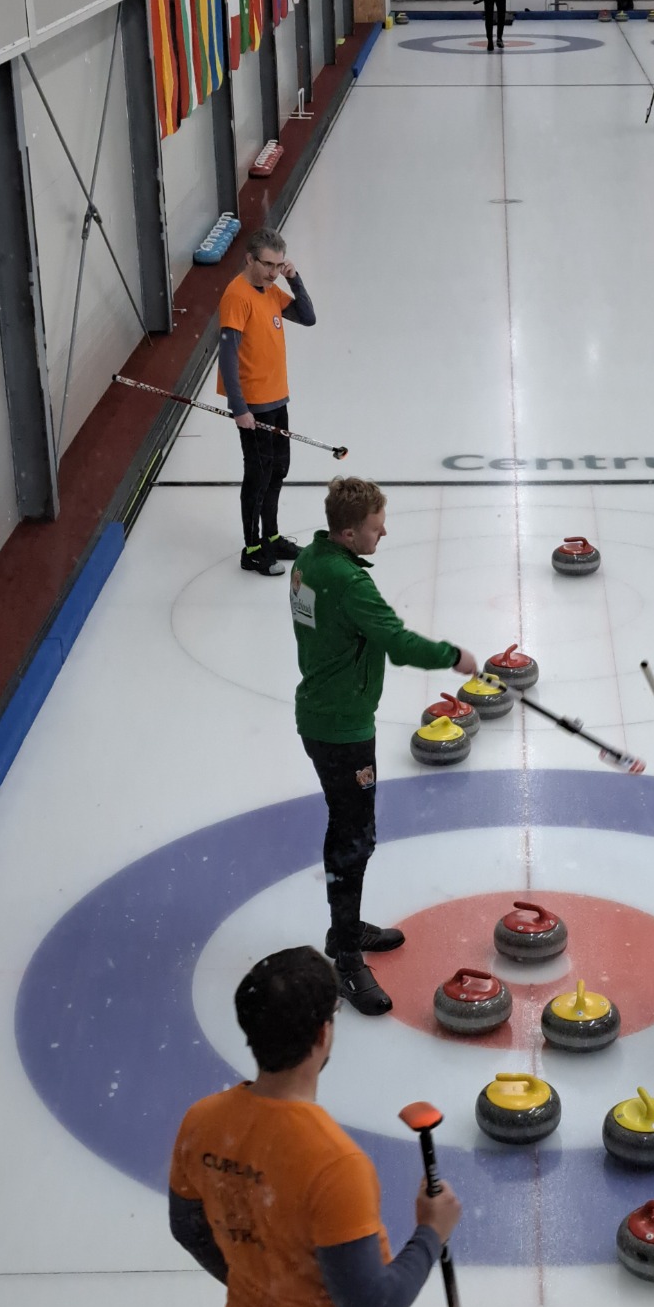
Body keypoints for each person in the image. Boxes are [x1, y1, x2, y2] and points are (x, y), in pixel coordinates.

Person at [169, 946, 471, 1307]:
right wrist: (431, 1232)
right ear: (323, 1035)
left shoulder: (203, 1121)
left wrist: (269, 1287)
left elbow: (188, 1227)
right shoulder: (333, 1163)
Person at [290, 477, 477, 1016]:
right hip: (342, 729)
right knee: (354, 838)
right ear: (348, 533)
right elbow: (396, 641)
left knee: (347, 828)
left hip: (323, 713)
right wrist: (453, 656)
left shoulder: (310, 561)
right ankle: (347, 958)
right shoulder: (349, 583)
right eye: (376, 526)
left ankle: (344, 927)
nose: (384, 533)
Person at [218, 228, 317, 577]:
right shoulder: (237, 296)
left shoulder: (271, 291)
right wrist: (239, 407)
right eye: (268, 265)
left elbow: (308, 317)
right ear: (250, 259)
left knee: (277, 470)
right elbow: (227, 356)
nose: (274, 272)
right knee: (257, 476)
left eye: (279, 265)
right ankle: (252, 549)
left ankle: (272, 537)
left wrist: (294, 279)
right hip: (254, 406)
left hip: (278, 398)